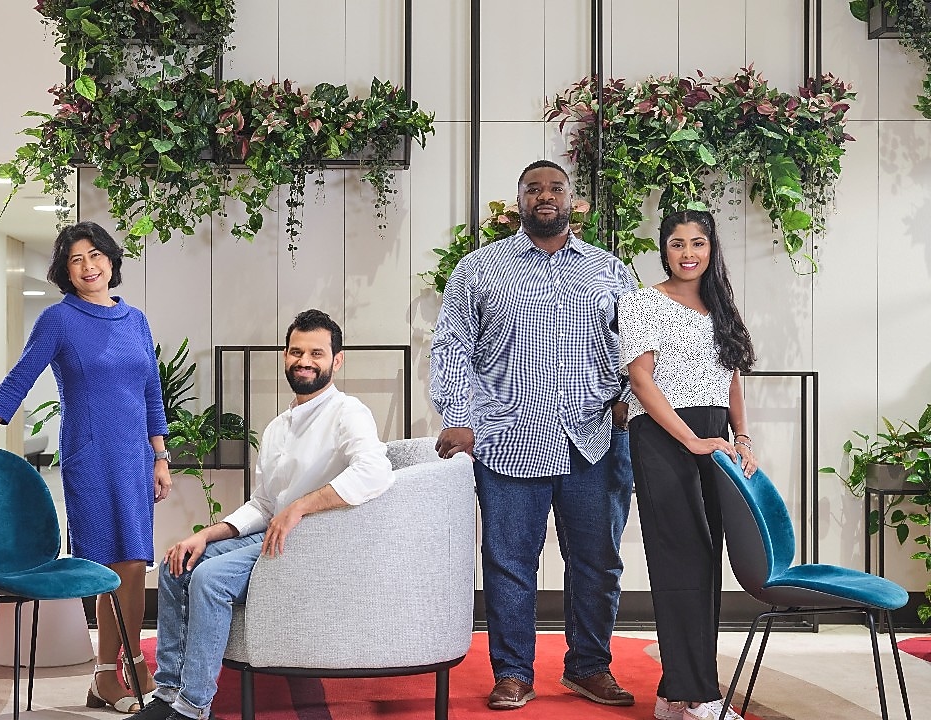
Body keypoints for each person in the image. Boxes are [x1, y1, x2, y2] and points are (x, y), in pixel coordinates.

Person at [429, 160, 638, 710]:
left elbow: (639, 347)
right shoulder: (479, 268)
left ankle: (589, 667)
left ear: (574, 200)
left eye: (555, 188)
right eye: (533, 189)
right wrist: (460, 416)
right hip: (506, 441)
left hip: (591, 441)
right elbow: (451, 346)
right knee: (508, 561)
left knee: (597, 561)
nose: (545, 196)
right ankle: (513, 672)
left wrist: (627, 400)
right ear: (517, 200)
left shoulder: (610, 271)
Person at [0, 221, 169, 713]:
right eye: (75, 260)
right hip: (89, 456)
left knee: (133, 564)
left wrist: (160, 456)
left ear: (111, 260)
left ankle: (118, 672)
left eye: (95, 256)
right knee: (104, 565)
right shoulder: (59, 320)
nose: (88, 267)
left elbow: (152, 391)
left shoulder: (136, 321)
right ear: (65, 271)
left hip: (134, 458)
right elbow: (21, 376)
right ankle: (117, 672)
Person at [128, 309, 394, 720]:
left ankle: (194, 708)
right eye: (296, 351)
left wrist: (301, 507)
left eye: (317, 353)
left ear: (336, 361)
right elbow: (264, 505)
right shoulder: (277, 427)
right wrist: (206, 535)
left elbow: (375, 471)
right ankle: (168, 694)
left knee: (211, 579)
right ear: (285, 356)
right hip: (272, 535)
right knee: (177, 564)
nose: (305, 361)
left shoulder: (348, 412)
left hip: (309, 541)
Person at [619, 210, 757, 720]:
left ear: (711, 247)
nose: (688, 254)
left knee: (704, 562)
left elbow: (732, 378)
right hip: (662, 435)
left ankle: (675, 691)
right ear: (664, 249)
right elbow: (641, 381)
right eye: (677, 244)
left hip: (714, 438)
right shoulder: (642, 303)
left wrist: (739, 436)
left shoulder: (721, 304)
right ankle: (699, 695)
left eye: (697, 243)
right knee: (680, 562)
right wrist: (693, 440)